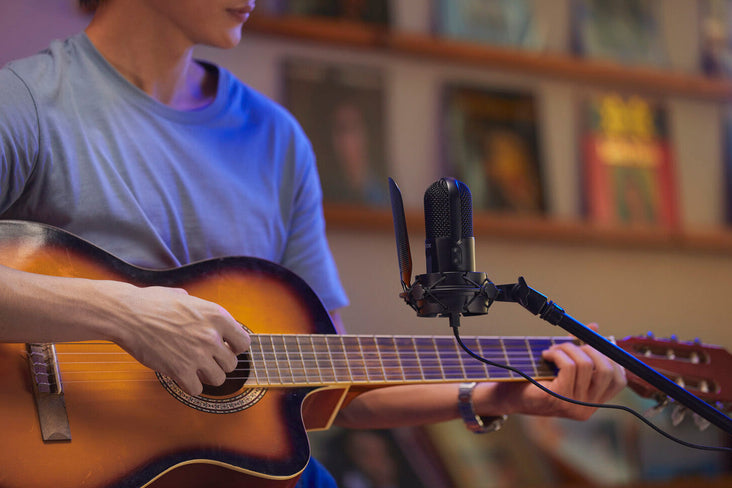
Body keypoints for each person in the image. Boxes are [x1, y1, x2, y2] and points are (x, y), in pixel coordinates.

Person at [0, 1, 626, 486]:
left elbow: (331, 382)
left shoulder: (276, 139)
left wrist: (493, 394)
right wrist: (126, 314)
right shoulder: (27, 103)